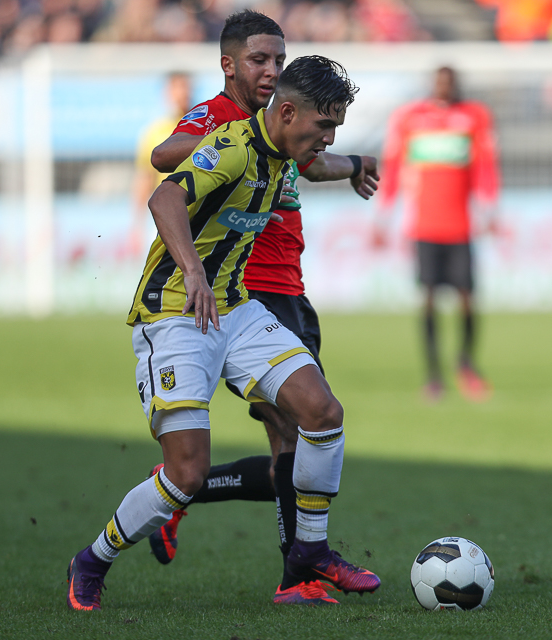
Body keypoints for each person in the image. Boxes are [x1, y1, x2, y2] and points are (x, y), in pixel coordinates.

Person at [66, 54, 380, 611]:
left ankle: (310, 552)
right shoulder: (232, 147)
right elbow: (164, 196)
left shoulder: (287, 151)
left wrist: (355, 165)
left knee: (322, 412)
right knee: (187, 473)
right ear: (288, 113)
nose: (329, 138)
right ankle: (92, 559)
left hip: (235, 309)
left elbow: (317, 166)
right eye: (324, 126)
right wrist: (193, 271)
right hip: (175, 313)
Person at [145, 10, 379, 606]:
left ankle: (182, 491)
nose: (271, 70)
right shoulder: (221, 120)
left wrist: (355, 165)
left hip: (291, 287)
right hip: (247, 287)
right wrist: (234, 142)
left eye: (278, 59)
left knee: (296, 437)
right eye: (259, 60)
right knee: (297, 429)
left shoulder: (288, 123)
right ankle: (296, 574)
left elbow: (312, 166)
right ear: (229, 65)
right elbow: (165, 155)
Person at [377, 66, 500, 402]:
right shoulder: (409, 118)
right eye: (439, 82)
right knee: (428, 299)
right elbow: (393, 168)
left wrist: (490, 210)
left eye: (449, 82)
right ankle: (433, 374)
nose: (444, 87)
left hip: (461, 226)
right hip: (424, 226)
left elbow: (486, 167)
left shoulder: (474, 116)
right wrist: (382, 218)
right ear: (431, 85)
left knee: (467, 299)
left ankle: (466, 364)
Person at [131, 71, 193, 256]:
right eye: (177, 87)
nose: (182, 93)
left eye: (185, 87)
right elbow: (145, 178)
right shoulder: (155, 132)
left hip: (200, 212)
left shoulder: (204, 127)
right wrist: (137, 225)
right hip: (167, 215)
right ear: (167, 92)